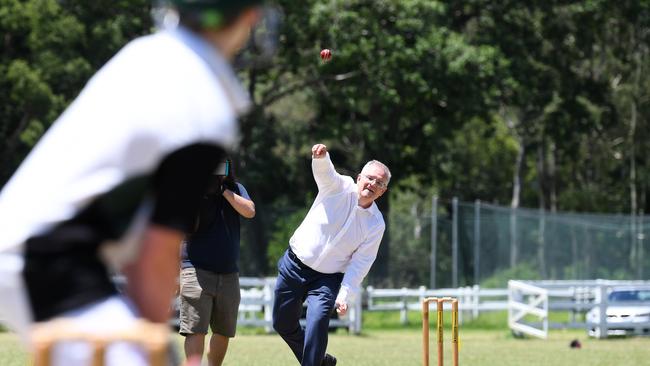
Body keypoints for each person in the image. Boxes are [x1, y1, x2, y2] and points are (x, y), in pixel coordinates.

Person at [0, 1, 267, 364]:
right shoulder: (206, 103)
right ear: (248, 18)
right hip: (47, 257)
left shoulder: (143, 54)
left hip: (32, 242)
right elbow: (156, 252)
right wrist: (150, 342)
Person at [273, 143, 390, 366]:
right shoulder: (339, 187)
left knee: (317, 323)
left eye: (380, 183)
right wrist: (321, 158)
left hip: (327, 279)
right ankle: (321, 362)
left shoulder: (376, 224)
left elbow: (361, 263)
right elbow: (326, 174)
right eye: (370, 178)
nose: (373, 184)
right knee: (282, 324)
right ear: (358, 178)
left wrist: (344, 296)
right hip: (294, 264)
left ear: (383, 191)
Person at [179, 159, 255, 366]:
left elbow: (249, 211)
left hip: (229, 273)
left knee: (224, 331)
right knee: (195, 329)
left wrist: (224, 191)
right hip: (195, 269)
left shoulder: (237, 189)